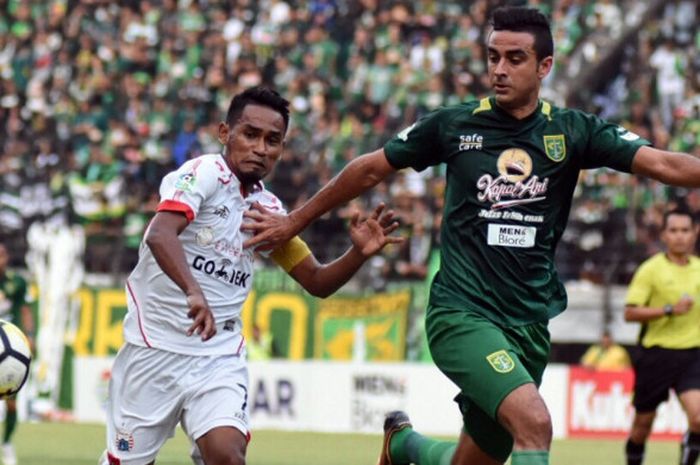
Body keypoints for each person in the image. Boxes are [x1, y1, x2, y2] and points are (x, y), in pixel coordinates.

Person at [240, 7, 700, 465]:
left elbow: (663, 164)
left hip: (527, 325)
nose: (499, 70)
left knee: (473, 462)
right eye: (492, 57)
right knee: (535, 424)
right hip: (461, 313)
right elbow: (368, 169)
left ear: (545, 66)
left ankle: (401, 446)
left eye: (515, 58)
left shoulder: (572, 131)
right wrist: (293, 221)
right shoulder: (455, 125)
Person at [98, 86, 402, 465]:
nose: (261, 147)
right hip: (153, 349)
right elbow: (159, 234)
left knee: (227, 454)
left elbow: (317, 282)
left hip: (217, 356)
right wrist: (193, 292)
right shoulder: (204, 173)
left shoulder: (269, 212)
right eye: (250, 134)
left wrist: (357, 254)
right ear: (225, 133)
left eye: (273, 140)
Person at [623, 208, 700, 465]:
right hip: (656, 355)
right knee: (642, 426)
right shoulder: (650, 270)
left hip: (692, 355)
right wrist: (669, 310)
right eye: (674, 231)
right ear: (664, 235)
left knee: (699, 418)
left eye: (685, 230)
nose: (680, 236)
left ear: (694, 233)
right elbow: (630, 313)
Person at [0, 244, 35, 465]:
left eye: (1, 255)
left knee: (11, 404)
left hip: (10, 347)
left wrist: (30, 335)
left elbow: (24, 309)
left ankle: (7, 443)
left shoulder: (17, 282)